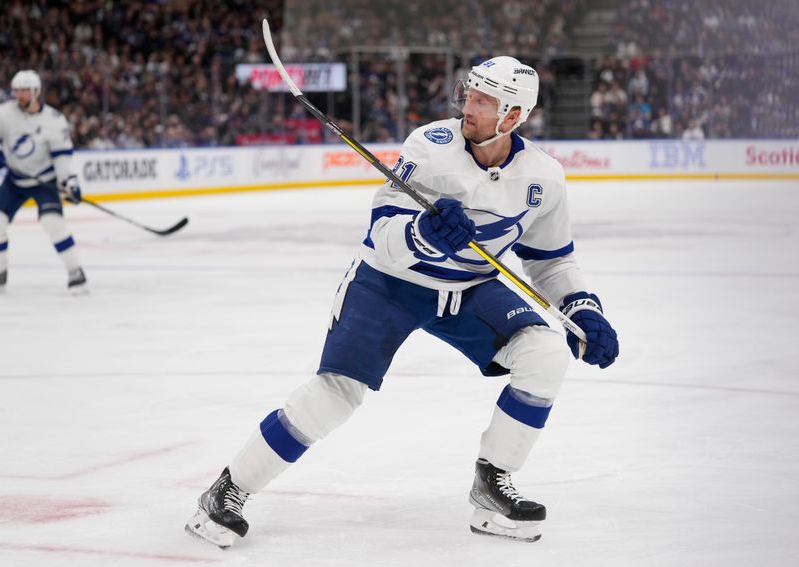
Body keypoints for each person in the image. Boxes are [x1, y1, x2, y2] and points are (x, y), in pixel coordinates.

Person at [185, 56, 619, 547]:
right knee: (335, 394)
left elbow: (553, 262)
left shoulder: (544, 179)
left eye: (483, 101)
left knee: (545, 354)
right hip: (389, 281)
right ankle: (228, 489)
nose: (467, 108)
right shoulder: (431, 146)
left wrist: (584, 309)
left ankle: (491, 487)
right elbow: (382, 232)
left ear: (513, 116)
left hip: (470, 289)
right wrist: (423, 233)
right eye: (468, 95)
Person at [0, 70, 86, 292]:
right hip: (15, 180)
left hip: (44, 181)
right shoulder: (4, 113)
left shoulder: (54, 121)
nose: (19, 96)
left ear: (36, 92)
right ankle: (0, 271)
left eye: (24, 91)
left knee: (53, 224)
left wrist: (69, 182)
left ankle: (75, 271)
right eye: (16, 91)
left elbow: (62, 157)